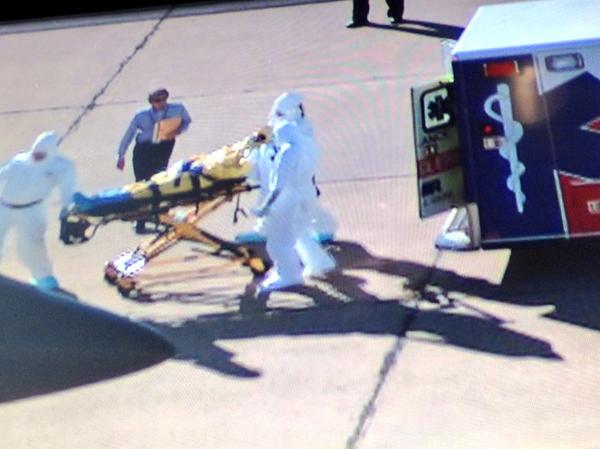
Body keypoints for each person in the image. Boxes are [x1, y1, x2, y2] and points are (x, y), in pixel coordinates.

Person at [252, 92, 336, 292]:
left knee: (278, 242)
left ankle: (288, 275)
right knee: (298, 232)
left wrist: (265, 206)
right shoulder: (302, 136)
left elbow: (278, 183)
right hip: (303, 196)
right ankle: (319, 262)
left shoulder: (288, 150)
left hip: (287, 202)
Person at [0, 131, 77, 291]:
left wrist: (67, 209)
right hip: (4, 207)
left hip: (32, 211)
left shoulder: (60, 167)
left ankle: (44, 278)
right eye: (36, 152)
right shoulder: (19, 161)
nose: (37, 156)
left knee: (32, 246)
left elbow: (68, 188)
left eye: (42, 154)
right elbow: (2, 174)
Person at [116, 88, 192, 233]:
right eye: (158, 100)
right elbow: (129, 135)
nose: (162, 103)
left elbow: (186, 121)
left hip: (162, 150)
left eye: (164, 99)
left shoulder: (177, 109)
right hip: (143, 151)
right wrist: (121, 155)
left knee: (159, 184)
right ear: (151, 102)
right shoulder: (141, 116)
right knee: (142, 187)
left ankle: (160, 218)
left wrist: (177, 131)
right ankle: (141, 223)